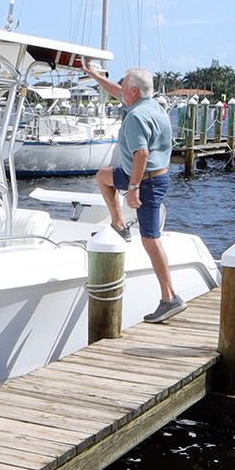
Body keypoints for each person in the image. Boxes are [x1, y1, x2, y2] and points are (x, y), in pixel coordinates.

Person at [82, 64, 186, 324]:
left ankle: (170, 297)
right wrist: (95, 76)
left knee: (151, 239)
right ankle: (119, 224)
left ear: (135, 91)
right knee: (103, 177)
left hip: (146, 181)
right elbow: (116, 90)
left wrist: (133, 188)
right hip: (147, 175)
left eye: (125, 85)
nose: (121, 88)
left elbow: (142, 154)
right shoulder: (149, 105)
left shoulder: (136, 117)